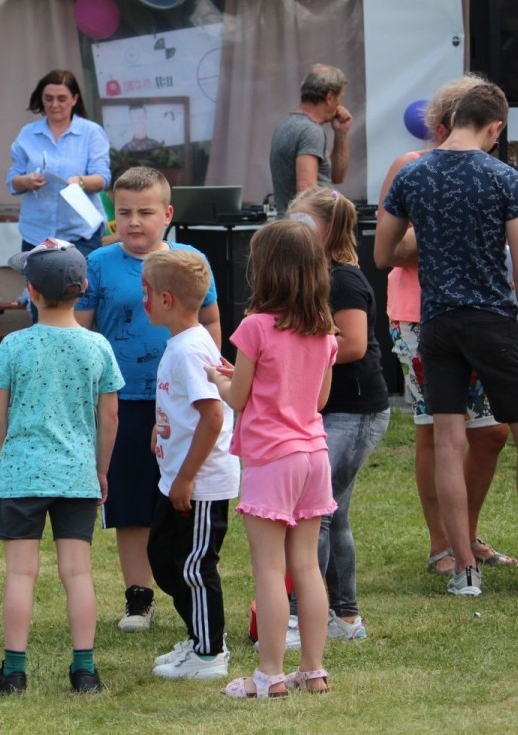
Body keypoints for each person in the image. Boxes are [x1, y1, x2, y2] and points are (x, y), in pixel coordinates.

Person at [376, 79, 518, 597]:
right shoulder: (505, 177)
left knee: (446, 440)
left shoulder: (414, 175)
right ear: (494, 127)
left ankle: (463, 568)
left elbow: (382, 255)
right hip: (493, 319)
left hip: (437, 322)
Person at [75, 167, 220, 634]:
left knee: (182, 495)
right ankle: (139, 597)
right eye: (124, 213)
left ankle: (187, 586)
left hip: (180, 404)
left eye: (145, 212)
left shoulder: (191, 259)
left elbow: (212, 321)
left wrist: (213, 376)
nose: (134, 222)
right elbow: (81, 329)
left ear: (168, 214)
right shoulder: (99, 262)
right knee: (130, 498)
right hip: (123, 400)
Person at [0, 239, 122, 695]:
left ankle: (14, 671)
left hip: (22, 473)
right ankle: (84, 670)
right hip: (78, 473)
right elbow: (110, 417)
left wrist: (13, 448)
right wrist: (101, 469)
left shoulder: (13, 346)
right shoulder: (97, 346)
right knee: (77, 572)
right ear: (83, 288)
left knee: (21, 573)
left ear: (30, 291)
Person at [206, 220, 338, 698]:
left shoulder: (254, 327)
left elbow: (237, 397)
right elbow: (318, 400)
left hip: (270, 459)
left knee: (268, 569)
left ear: (265, 271)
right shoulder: (325, 331)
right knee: (306, 566)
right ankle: (314, 669)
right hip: (313, 456)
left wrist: (218, 378)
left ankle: (269, 675)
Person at [288, 188, 390, 641]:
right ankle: (344, 617)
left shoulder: (343, 279)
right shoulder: (310, 275)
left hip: (357, 412)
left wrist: (298, 348)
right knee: (333, 512)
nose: (292, 226)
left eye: (302, 220)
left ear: (326, 229)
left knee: (317, 512)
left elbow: (352, 344)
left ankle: (296, 615)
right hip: (331, 411)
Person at [143, 250, 238, 680]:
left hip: (198, 485)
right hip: (175, 479)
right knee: (163, 558)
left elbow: (213, 416)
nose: (142, 300)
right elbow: (180, 404)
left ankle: (209, 653)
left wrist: (186, 477)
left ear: (165, 299)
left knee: (194, 567)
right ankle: (198, 633)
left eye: (145, 293)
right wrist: (160, 429)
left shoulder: (189, 349)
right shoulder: (181, 344)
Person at [6, 69, 111, 257]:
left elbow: (102, 178)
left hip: (80, 233)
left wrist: (80, 181)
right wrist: (26, 181)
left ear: (74, 99)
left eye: (62, 99)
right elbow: (13, 179)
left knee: (80, 286)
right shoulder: (28, 133)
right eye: (48, 98)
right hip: (37, 233)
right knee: (37, 286)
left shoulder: (91, 132)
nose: (55, 105)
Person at [268, 64, 353, 214]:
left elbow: (336, 176)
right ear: (330, 97)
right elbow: (305, 189)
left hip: (291, 226)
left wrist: (341, 133)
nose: (340, 105)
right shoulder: (311, 131)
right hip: (308, 229)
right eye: (340, 98)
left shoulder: (285, 125)